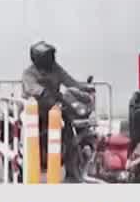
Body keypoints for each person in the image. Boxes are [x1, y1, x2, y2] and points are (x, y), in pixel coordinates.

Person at [22, 41, 92, 174]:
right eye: (48, 56)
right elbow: (33, 88)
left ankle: (71, 160)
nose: (51, 59)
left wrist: (83, 88)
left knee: (71, 121)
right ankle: (37, 158)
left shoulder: (55, 68)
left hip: (55, 104)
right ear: (39, 59)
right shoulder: (29, 73)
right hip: (36, 108)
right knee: (35, 132)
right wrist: (42, 92)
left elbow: (68, 80)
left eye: (52, 56)